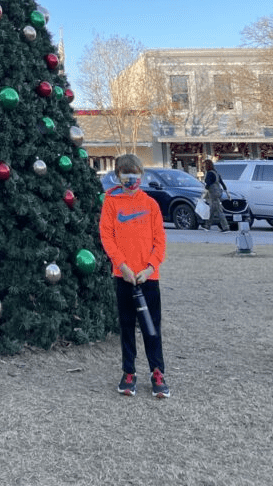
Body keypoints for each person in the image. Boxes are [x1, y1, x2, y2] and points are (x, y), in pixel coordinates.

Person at [99, 153, 170, 399]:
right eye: (127, 174)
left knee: (152, 329)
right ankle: (128, 373)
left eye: (136, 174)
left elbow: (159, 240)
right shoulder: (111, 203)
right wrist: (123, 266)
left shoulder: (150, 204)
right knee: (127, 326)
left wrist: (149, 268)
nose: (132, 179)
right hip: (124, 277)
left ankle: (158, 372)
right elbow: (107, 236)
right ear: (118, 176)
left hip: (148, 278)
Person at [200, 158, 229, 232]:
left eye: (204, 165)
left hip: (213, 193)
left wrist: (204, 194)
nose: (204, 167)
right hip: (218, 192)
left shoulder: (209, 173)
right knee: (212, 210)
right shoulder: (215, 173)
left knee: (219, 211)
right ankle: (207, 226)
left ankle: (225, 227)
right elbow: (222, 183)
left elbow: (208, 184)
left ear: (207, 166)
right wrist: (227, 192)